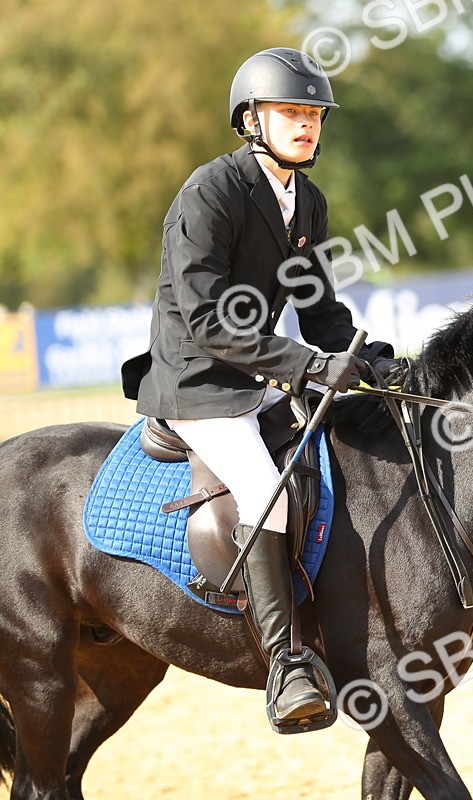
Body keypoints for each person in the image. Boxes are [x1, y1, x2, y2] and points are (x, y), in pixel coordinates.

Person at [121, 47, 397, 730]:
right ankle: (287, 663)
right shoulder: (209, 193)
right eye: (292, 113)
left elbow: (323, 312)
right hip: (197, 382)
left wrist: (372, 359)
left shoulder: (307, 199)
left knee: (341, 447)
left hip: (253, 374)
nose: (308, 126)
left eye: (314, 115)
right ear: (251, 119)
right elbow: (209, 320)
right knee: (263, 489)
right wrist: (304, 367)